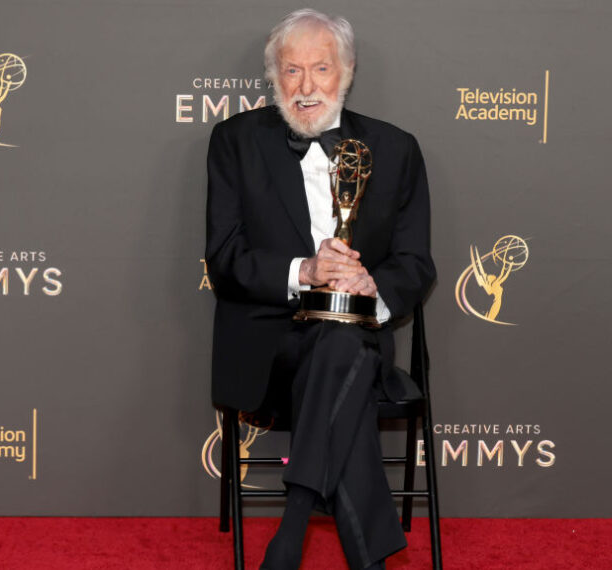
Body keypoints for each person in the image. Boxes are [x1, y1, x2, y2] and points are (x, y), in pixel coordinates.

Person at [205, 8, 435, 569]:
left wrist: (369, 284)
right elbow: (225, 258)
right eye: (291, 71)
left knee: (341, 344)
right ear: (273, 77)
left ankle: (292, 525)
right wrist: (303, 273)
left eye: (321, 69)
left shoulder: (396, 149)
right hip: (269, 349)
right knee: (340, 361)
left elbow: (415, 264)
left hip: (355, 341)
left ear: (348, 72)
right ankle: (358, 552)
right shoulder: (235, 142)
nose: (306, 87)